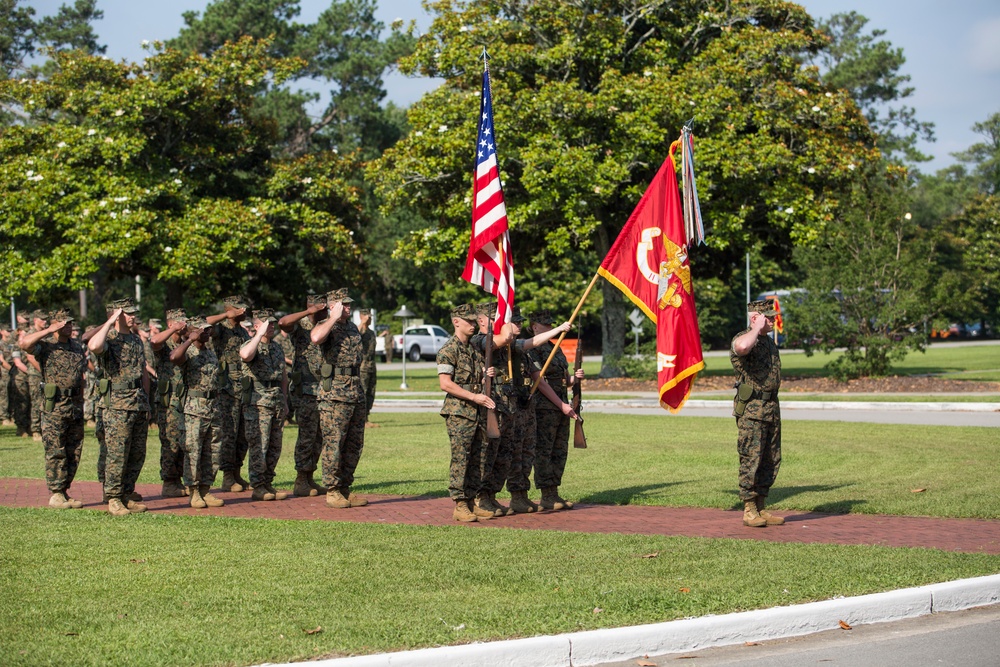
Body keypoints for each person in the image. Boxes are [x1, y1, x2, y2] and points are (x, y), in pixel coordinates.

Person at [88, 297, 150, 516]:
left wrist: (147, 401)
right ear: (117, 316)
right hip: (117, 405)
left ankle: (126, 494)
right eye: (128, 313)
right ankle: (113, 498)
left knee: (137, 453)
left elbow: (142, 370)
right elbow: (94, 345)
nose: (133, 316)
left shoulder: (135, 340)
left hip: (138, 402)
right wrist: (110, 321)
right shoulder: (110, 339)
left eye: (134, 312)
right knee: (117, 454)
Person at [20, 309, 87, 509]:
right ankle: (56, 493)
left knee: (74, 450)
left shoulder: (76, 346)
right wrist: (49, 330)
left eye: (70, 323)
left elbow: (81, 376)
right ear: (55, 324)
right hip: (55, 405)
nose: (69, 326)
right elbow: (24, 344)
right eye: (64, 323)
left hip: (74, 405)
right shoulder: (46, 345)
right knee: (55, 449)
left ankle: (65, 490)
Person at [436, 303, 496, 522]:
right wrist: (473, 397)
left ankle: (471, 501)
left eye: (474, 320)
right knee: (462, 458)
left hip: (478, 412)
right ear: (456, 322)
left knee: (479, 458)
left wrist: (485, 375)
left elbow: (476, 377)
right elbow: (445, 384)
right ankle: (460, 504)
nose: (473, 324)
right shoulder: (448, 350)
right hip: (460, 412)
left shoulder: (473, 349)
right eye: (469, 321)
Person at [310, 288, 368, 509]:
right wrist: (332, 316)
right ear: (332, 306)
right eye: (343, 304)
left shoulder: (352, 328)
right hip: (334, 393)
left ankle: (344, 488)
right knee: (334, 443)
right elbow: (315, 338)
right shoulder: (325, 326)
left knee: (354, 444)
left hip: (355, 390)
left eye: (348, 304)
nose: (348, 308)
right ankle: (332, 490)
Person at [730, 300, 784, 528]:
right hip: (752, 411)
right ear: (755, 318)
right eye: (768, 317)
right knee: (751, 459)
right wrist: (755, 328)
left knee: (770, 459)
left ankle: (761, 506)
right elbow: (741, 348)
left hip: (771, 408)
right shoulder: (744, 338)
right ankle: (749, 509)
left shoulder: (768, 343)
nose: (773, 321)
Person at [527, 310, 584, 511]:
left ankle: (554, 492)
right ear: (535, 327)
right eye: (546, 325)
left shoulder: (555, 348)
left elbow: (562, 379)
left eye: (552, 325)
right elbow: (540, 382)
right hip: (544, 407)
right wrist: (561, 405)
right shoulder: (531, 349)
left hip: (561, 404)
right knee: (544, 450)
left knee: (559, 451)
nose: (551, 328)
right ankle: (546, 494)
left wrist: (574, 379)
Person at [170, 316, 225, 508]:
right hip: (194, 409)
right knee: (193, 451)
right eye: (203, 330)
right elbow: (174, 358)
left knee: (213, 451)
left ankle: (205, 489)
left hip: (213, 407)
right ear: (194, 331)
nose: (208, 333)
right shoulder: (188, 351)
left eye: (209, 330)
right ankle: (193, 491)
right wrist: (189, 340)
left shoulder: (210, 353)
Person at [279, 294, 328, 497]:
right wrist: (308, 312)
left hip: (323, 387)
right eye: (311, 307)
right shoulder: (301, 325)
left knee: (320, 436)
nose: (316, 311)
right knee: (307, 435)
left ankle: (309, 477)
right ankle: (301, 479)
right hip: (305, 389)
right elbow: (283, 322)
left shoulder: (327, 324)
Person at [240, 308, 289, 501]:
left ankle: (268, 482)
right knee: (259, 445)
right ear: (257, 326)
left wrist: (284, 400)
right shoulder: (250, 345)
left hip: (276, 399)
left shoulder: (276, 347)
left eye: (273, 323)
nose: (272, 326)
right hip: (258, 402)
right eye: (267, 323)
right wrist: (258, 335)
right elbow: (245, 355)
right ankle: (258, 485)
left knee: (275, 445)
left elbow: (283, 375)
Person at [207, 295, 253, 492]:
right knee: (229, 432)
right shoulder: (220, 329)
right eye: (241, 309)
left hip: (243, 386)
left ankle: (236, 472)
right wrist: (226, 314)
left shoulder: (243, 332)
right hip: (226, 389)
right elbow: (203, 323)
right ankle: (227, 476)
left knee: (243, 434)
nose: (245, 311)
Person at [150, 310, 189, 498]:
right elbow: (154, 342)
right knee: (170, 442)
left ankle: (178, 480)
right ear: (171, 323)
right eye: (180, 321)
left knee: (183, 442)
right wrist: (172, 329)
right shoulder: (164, 343)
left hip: (184, 398)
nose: (184, 324)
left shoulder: (185, 343)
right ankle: (169, 482)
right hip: (168, 400)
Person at [357, 308, 378, 426]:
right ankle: (362, 419)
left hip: (371, 365)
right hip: (362, 367)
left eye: (370, 318)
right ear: (361, 316)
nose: (369, 320)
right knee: (363, 392)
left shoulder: (371, 333)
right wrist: (362, 323)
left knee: (371, 391)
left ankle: (367, 416)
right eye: (367, 317)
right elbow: (355, 336)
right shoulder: (358, 330)